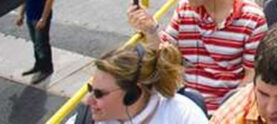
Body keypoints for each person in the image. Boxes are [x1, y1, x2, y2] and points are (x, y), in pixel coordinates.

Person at [128, 0, 268, 111]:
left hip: (225, 109)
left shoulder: (252, 19)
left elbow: (251, 75)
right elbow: (164, 52)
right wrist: (150, 29)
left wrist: (226, 111)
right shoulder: (184, 9)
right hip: (183, 104)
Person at [68, 44, 207, 123]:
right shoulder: (85, 119)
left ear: (133, 94)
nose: (87, 100)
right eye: (90, 89)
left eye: (99, 94)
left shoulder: (182, 116)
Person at [16, 0, 54, 84]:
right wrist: (21, 14)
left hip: (39, 18)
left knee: (42, 44)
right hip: (30, 17)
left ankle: (46, 69)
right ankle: (38, 65)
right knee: (36, 43)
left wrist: (43, 19)